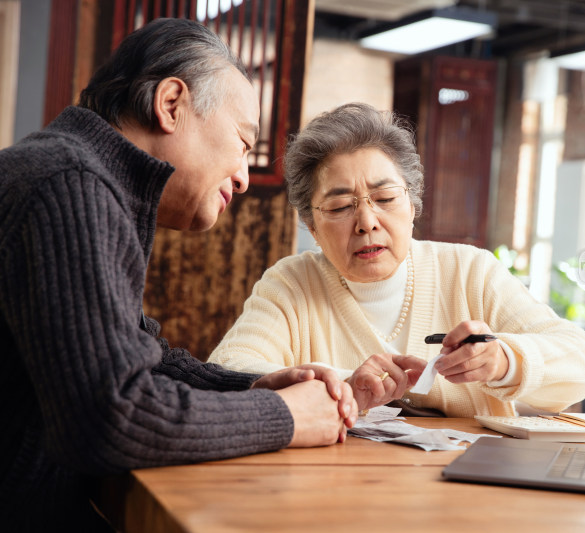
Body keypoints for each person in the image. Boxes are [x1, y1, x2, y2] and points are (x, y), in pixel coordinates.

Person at [0, 18, 357, 531]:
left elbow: (137, 358)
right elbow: (111, 418)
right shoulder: (68, 184)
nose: (243, 176)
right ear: (171, 104)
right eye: (242, 143)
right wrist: (288, 417)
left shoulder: (78, 176)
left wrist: (254, 387)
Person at [208, 102, 585, 417]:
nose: (366, 222)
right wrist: (346, 384)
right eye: (342, 206)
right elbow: (228, 372)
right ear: (312, 227)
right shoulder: (292, 283)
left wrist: (504, 362)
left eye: (384, 199)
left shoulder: (469, 272)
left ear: (412, 205)